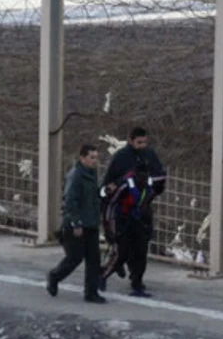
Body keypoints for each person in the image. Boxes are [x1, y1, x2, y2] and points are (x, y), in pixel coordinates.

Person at [100, 126, 167, 298]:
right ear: (130, 141)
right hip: (122, 212)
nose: (143, 145)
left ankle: (137, 282)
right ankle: (103, 275)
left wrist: (147, 199)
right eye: (139, 142)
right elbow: (107, 188)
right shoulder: (121, 159)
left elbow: (160, 182)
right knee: (122, 249)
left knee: (141, 249)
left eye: (145, 142)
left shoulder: (150, 156)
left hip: (142, 212)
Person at [47, 144, 106, 303]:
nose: (95, 161)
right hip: (78, 224)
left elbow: (93, 197)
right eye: (91, 157)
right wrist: (76, 223)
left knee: (94, 259)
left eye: (96, 157)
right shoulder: (76, 176)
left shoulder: (92, 174)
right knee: (74, 258)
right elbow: (71, 202)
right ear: (82, 158)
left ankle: (91, 293)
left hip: (91, 223)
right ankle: (55, 276)